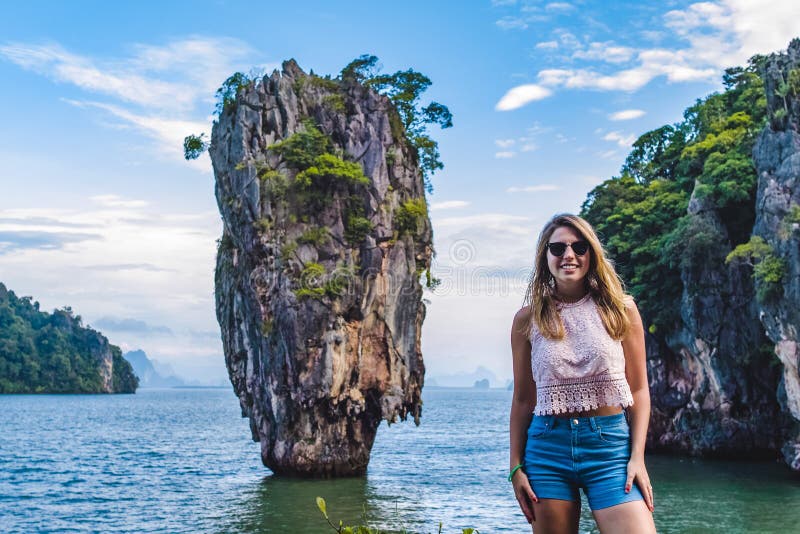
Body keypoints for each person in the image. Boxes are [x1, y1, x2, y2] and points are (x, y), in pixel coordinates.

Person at [509, 213, 656, 533]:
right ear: (545, 256)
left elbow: (640, 390)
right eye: (558, 248)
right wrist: (515, 467)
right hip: (547, 449)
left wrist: (638, 457)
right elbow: (522, 400)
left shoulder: (621, 309)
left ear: (591, 253)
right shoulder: (526, 320)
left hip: (610, 448)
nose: (569, 255)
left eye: (579, 246)